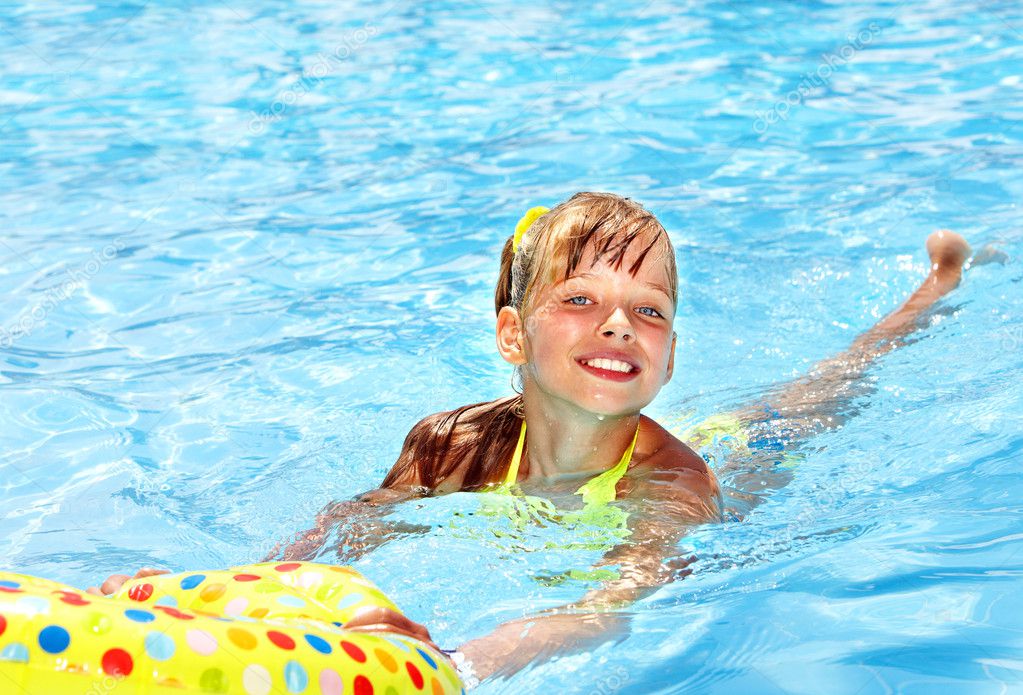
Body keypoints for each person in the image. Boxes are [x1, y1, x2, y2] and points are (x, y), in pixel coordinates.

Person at [93, 192, 986, 684]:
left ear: (668, 358)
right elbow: (345, 526)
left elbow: (607, 607)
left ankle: (930, 292)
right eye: (579, 301)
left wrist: (460, 661)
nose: (618, 326)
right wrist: (236, 596)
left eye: (650, 311)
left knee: (816, 399)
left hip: (737, 467)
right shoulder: (450, 445)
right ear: (514, 338)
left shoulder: (671, 489)